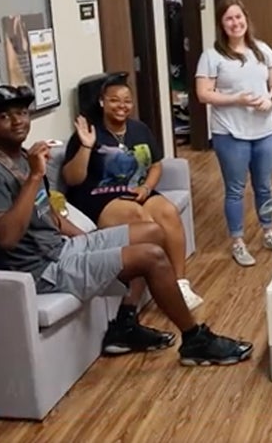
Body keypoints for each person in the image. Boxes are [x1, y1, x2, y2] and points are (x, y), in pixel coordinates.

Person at [0, 85, 251, 364]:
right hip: (42, 270)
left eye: (22, 113)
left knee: (151, 232)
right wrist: (33, 178)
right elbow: (4, 238)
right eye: (5, 116)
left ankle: (124, 325)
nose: (18, 121)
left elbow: (49, 216)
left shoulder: (25, 157)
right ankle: (195, 340)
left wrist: (88, 240)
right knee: (150, 257)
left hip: (62, 249)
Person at [61, 75, 202, 309]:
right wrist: (86, 145)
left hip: (137, 190)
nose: (122, 106)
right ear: (102, 102)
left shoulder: (139, 129)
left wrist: (147, 186)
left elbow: (156, 164)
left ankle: (180, 283)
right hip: (99, 196)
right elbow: (72, 179)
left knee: (167, 212)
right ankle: (159, 285)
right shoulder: (88, 132)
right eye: (114, 100)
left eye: (127, 101)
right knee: (140, 219)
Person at [195, 0, 272, 266]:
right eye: (229, 19)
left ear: (246, 19)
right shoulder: (212, 56)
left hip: (265, 130)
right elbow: (203, 94)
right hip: (230, 133)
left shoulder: (262, 50)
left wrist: (270, 98)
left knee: (264, 186)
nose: (235, 23)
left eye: (239, 17)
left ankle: (268, 232)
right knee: (235, 189)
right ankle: (238, 241)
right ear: (221, 25)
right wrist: (237, 99)